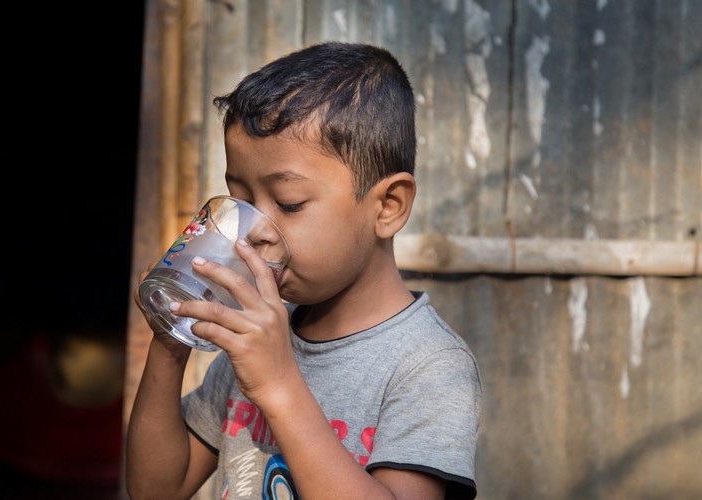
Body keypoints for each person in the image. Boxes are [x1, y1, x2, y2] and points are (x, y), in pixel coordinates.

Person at [125, 41, 482, 499]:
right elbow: (156, 488)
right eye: (244, 200)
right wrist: (171, 340)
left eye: (289, 203)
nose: (256, 230)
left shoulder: (428, 366)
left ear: (388, 206)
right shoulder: (258, 333)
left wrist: (278, 386)